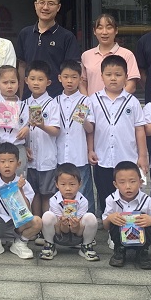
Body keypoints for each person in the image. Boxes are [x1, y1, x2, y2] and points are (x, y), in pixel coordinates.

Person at [86, 55, 148, 219]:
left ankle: (129, 224)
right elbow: (91, 129)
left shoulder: (132, 102)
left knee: (128, 191)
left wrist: (142, 156)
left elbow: (139, 130)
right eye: (109, 74)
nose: (113, 78)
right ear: (102, 76)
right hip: (103, 157)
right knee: (104, 192)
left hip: (127, 157)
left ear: (126, 77)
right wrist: (90, 150)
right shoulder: (94, 100)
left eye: (118, 74)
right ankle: (110, 225)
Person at [0, 143, 42, 259]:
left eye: (11, 161)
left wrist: (20, 189)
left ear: (18, 164)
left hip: (17, 225)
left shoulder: (23, 183)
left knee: (37, 221)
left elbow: (27, 209)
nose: (7, 165)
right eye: (2, 162)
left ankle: (20, 243)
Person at [15, 0, 81, 98]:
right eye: (42, 3)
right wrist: (21, 97)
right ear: (35, 5)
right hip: (29, 99)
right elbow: (22, 67)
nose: (45, 7)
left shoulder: (67, 37)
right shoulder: (25, 34)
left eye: (51, 3)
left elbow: (71, 70)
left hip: (57, 99)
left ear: (58, 7)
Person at [53, 60, 95, 213]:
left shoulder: (86, 101)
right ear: (60, 78)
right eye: (66, 77)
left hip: (79, 155)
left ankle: (86, 220)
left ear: (80, 79)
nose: (69, 81)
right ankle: (64, 221)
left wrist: (83, 120)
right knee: (63, 190)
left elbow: (90, 129)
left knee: (82, 191)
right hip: (59, 154)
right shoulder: (55, 101)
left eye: (74, 77)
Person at [22, 61, 60, 224]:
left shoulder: (52, 104)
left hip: (46, 158)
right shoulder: (23, 104)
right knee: (34, 193)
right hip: (30, 159)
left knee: (47, 194)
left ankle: (47, 227)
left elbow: (56, 131)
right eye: (32, 79)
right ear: (26, 81)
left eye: (40, 79)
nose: (36, 83)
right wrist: (24, 147)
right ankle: (36, 225)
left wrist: (42, 125)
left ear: (48, 82)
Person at [103, 161, 151, 269]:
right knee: (114, 219)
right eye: (122, 182)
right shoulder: (111, 199)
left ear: (140, 182)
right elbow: (106, 226)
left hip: (141, 239)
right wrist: (110, 218)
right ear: (115, 184)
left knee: (147, 221)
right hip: (121, 238)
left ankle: (142, 252)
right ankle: (120, 251)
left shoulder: (148, 201)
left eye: (133, 181)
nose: (128, 186)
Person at [39, 163, 99, 262]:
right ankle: (49, 245)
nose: (68, 188)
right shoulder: (54, 200)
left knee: (90, 217)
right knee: (47, 216)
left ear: (80, 184)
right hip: (59, 233)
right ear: (56, 184)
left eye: (72, 184)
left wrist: (75, 225)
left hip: (77, 234)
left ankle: (86, 246)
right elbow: (64, 229)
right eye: (63, 184)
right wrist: (64, 224)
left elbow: (75, 229)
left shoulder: (83, 201)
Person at [81, 13, 140, 96]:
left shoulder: (127, 54)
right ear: (94, 31)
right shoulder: (86, 56)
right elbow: (82, 83)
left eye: (109, 28)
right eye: (100, 28)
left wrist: (115, 101)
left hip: (119, 103)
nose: (104, 32)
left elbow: (131, 85)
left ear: (116, 30)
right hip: (93, 103)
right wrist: (88, 101)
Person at [0, 65, 26, 166]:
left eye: (13, 82)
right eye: (5, 82)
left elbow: (27, 129)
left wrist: (27, 129)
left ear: (19, 83)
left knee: (19, 176)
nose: (9, 86)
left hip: (17, 148)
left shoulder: (24, 106)